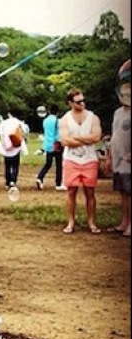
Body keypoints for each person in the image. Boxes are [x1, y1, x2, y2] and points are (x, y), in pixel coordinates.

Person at [59, 88, 103, 234]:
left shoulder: (93, 117)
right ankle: (70, 222)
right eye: (78, 102)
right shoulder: (65, 119)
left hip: (89, 159)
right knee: (71, 191)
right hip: (71, 159)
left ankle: (91, 222)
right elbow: (64, 141)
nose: (82, 103)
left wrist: (76, 138)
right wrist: (86, 139)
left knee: (90, 192)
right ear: (70, 103)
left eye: (83, 100)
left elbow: (96, 137)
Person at [110, 64, 131, 236]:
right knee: (123, 193)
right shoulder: (117, 113)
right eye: (123, 93)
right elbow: (114, 134)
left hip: (129, 159)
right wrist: (110, 156)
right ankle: (124, 222)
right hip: (118, 159)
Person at [35, 105, 64, 190]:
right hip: (56, 145)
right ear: (57, 112)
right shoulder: (58, 121)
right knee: (59, 165)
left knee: (48, 164)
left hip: (48, 145)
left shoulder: (45, 120)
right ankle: (58, 184)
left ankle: (40, 177)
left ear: (49, 111)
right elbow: (58, 134)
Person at [0, 110, 27, 188]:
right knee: (15, 165)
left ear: (9, 114)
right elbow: (24, 133)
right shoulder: (19, 122)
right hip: (16, 146)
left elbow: (1, 135)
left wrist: (4, 144)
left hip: (6, 146)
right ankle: (13, 181)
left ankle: (7, 182)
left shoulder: (4, 123)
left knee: (7, 165)